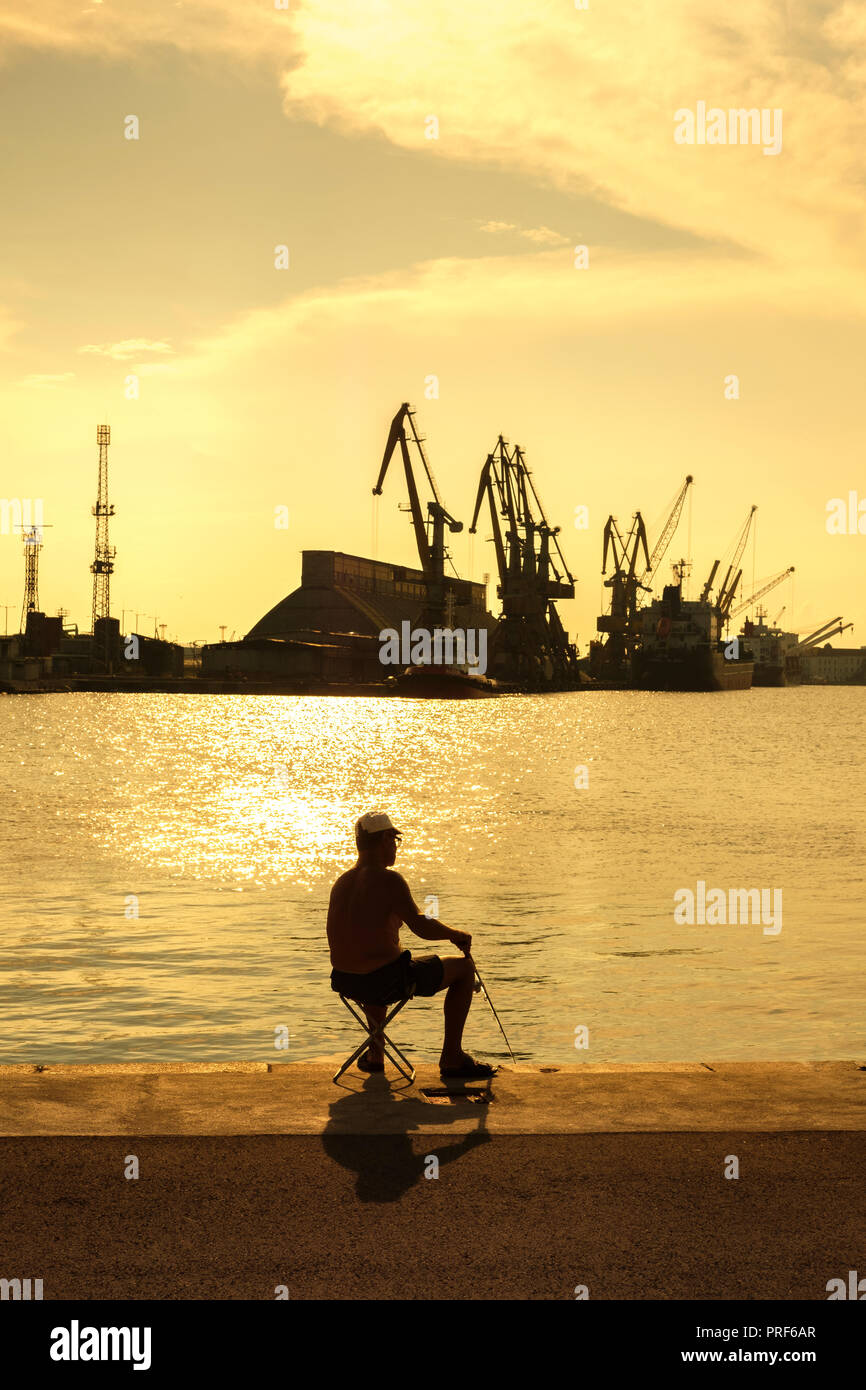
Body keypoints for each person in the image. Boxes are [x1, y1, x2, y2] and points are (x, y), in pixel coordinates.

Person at [327, 812, 497, 1079]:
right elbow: (421, 925)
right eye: (394, 839)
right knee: (464, 969)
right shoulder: (389, 880)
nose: (396, 846)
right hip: (383, 982)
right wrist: (455, 934)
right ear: (384, 839)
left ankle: (375, 1055)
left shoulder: (342, 882)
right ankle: (452, 1058)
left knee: (377, 969)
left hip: (346, 981)